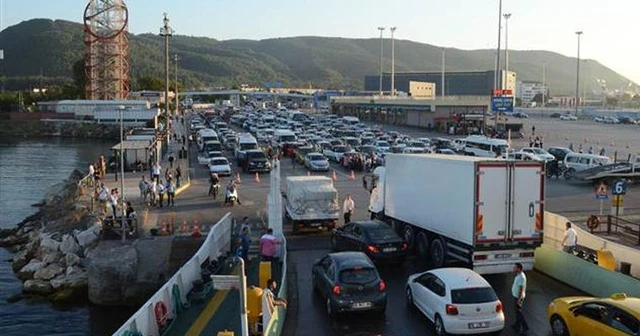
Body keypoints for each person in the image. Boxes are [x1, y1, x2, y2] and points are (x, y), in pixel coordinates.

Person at [511, 263, 529, 335]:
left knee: (518, 312)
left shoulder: (521, 277)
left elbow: (521, 289)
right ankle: (516, 325)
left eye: (515, 267)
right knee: (517, 312)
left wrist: (518, 299)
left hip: (518, 297)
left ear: (519, 268)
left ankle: (525, 326)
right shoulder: (518, 275)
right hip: (516, 296)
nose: (513, 269)